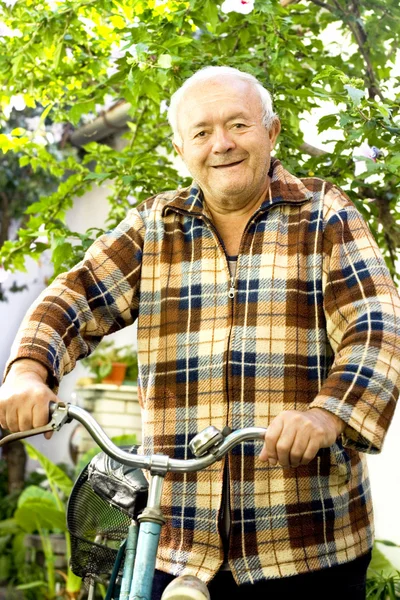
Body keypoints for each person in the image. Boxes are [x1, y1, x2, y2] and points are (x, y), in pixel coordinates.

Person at [1, 66, 399, 599]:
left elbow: (377, 330)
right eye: (202, 131)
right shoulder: (154, 225)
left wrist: (326, 414)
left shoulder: (325, 215)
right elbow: (73, 297)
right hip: (176, 539)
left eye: (239, 124)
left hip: (305, 541)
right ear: (180, 148)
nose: (223, 144)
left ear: (272, 131)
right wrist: (29, 371)